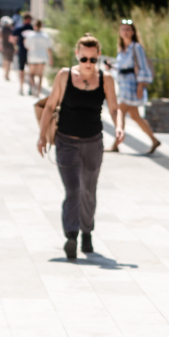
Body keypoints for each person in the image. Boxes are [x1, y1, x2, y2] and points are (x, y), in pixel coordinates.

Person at [36, 34, 125, 260]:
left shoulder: (106, 79)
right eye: (84, 59)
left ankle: (87, 232)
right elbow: (50, 106)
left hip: (93, 142)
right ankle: (72, 235)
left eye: (93, 60)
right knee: (73, 189)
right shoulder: (64, 76)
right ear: (77, 55)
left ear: (98, 58)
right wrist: (42, 136)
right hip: (66, 141)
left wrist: (119, 127)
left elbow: (115, 108)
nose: (88, 64)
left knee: (88, 190)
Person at [109, 18, 160, 155]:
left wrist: (140, 86)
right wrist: (111, 67)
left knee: (119, 111)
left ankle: (116, 143)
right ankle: (154, 140)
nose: (125, 32)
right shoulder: (122, 49)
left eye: (128, 29)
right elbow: (121, 69)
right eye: (123, 29)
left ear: (133, 32)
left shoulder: (136, 47)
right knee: (135, 117)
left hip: (133, 85)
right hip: (124, 85)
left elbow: (143, 67)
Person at [23, 20, 54, 97]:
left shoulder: (30, 35)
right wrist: (51, 58)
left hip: (33, 56)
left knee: (31, 74)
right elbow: (49, 48)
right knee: (40, 75)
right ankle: (38, 91)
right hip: (42, 57)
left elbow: (27, 46)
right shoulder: (45, 36)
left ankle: (33, 87)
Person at [10, 12, 34, 94]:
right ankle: (21, 88)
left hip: (31, 52)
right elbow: (12, 37)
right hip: (22, 51)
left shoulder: (32, 28)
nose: (29, 21)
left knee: (31, 71)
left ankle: (31, 87)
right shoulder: (19, 28)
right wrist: (15, 47)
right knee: (21, 70)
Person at [0, 16, 16, 80]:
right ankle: (7, 74)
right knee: (9, 61)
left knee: (5, 60)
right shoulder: (11, 30)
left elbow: (0, 38)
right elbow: (13, 39)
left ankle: (5, 73)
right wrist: (15, 46)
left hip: (4, 46)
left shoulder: (1, 30)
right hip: (10, 47)